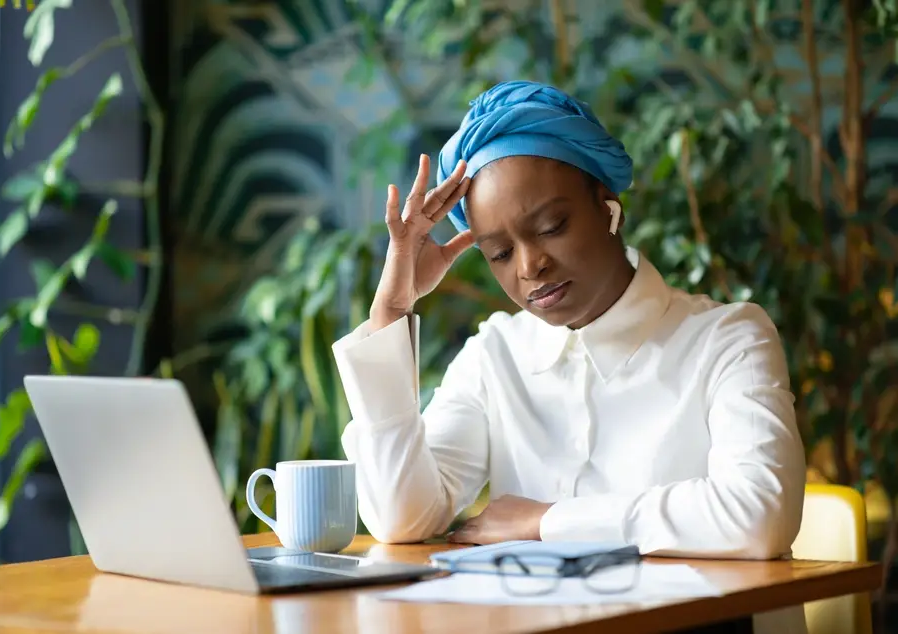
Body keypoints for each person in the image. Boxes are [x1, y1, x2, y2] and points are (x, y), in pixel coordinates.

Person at [331, 81, 807, 628]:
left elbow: (758, 516)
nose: (530, 267)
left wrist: (548, 521)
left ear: (608, 206)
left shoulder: (728, 339)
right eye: (500, 253)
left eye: (552, 227)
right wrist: (392, 310)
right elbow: (402, 517)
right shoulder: (496, 355)